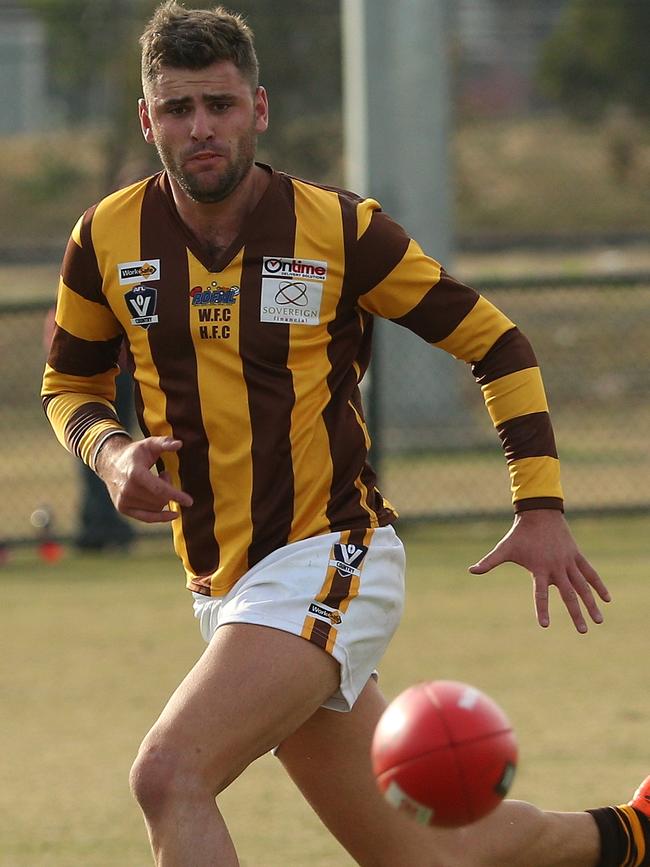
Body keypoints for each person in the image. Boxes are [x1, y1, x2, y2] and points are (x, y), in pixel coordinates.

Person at [41, 3, 648, 866]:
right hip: (226, 585)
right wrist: (110, 453)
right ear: (147, 121)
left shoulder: (340, 229)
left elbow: (497, 343)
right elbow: (69, 385)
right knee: (425, 856)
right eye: (177, 109)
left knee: (168, 773)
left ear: (259, 107)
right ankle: (629, 836)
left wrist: (540, 503)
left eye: (219, 104)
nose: (200, 127)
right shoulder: (104, 237)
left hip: (333, 554)